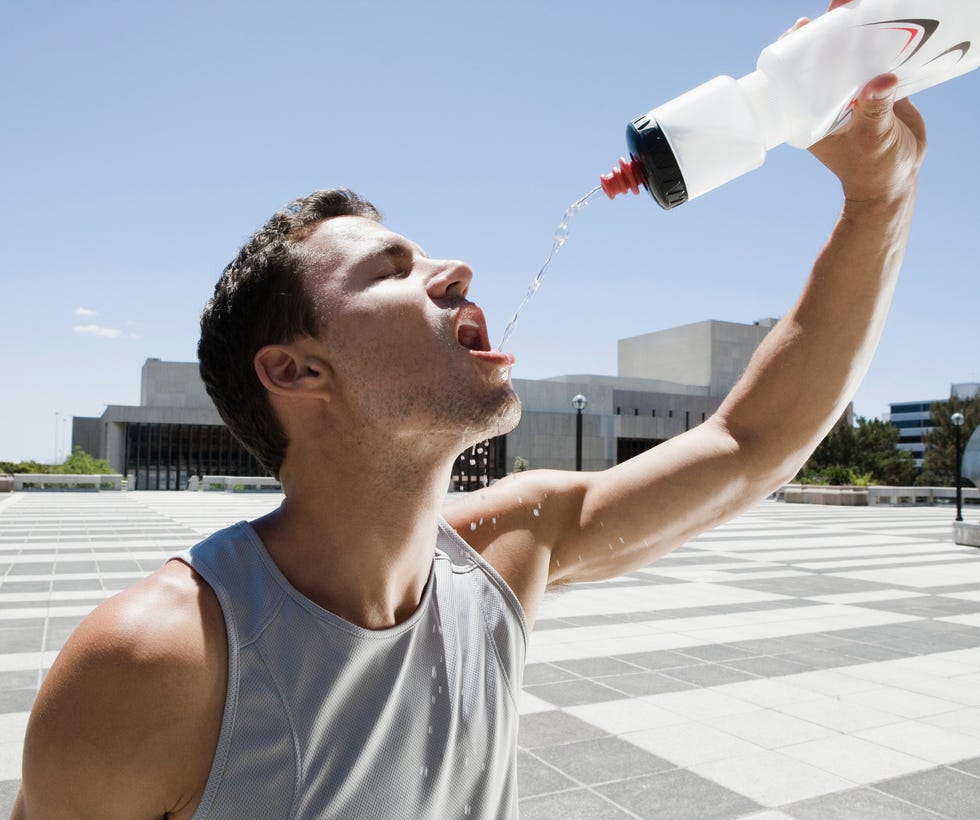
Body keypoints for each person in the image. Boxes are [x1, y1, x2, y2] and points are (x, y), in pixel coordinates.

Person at [14, 7, 927, 819]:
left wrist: (879, 197)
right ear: (296, 371)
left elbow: (751, 445)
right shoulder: (158, 661)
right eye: (391, 269)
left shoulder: (504, 552)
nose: (453, 272)